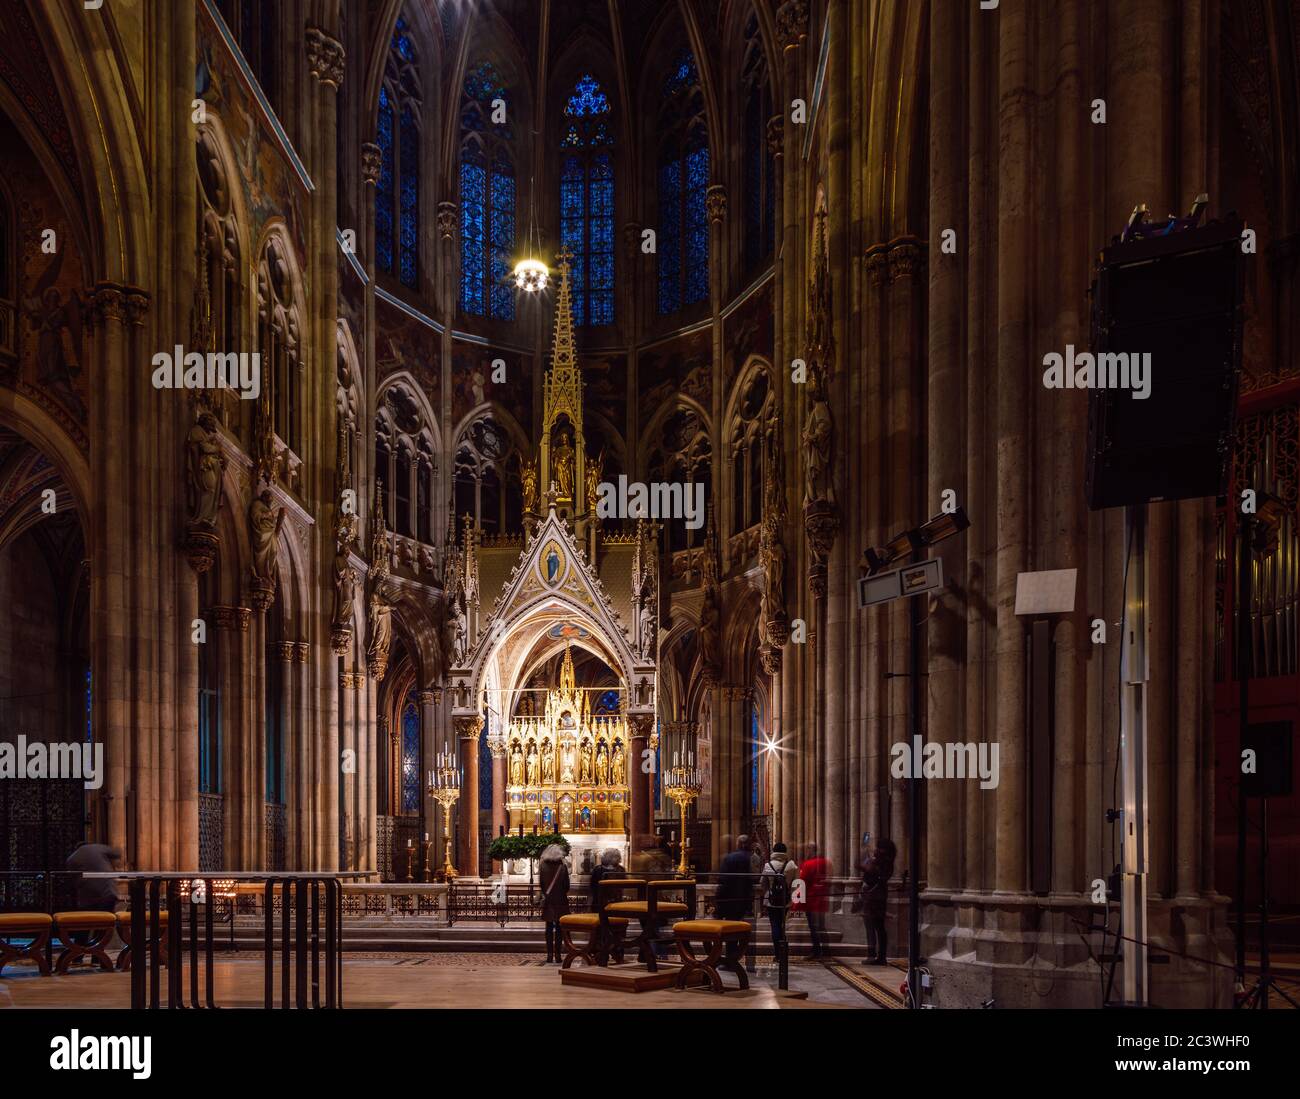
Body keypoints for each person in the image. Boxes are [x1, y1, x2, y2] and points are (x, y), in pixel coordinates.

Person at [859, 839, 896, 966]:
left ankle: (878, 955)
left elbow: (872, 873)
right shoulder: (880, 861)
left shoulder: (884, 863)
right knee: (877, 927)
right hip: (874, 896)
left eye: (879, 848)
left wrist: (868, 860)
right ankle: (878, 955)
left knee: (877, 927)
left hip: (875, 897)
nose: (877, 850)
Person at [759, 842, 798, 952]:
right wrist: (790, 894)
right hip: (785, 900)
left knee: (774, 925)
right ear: (785, 852)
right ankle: (784, 950)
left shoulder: (768, 865)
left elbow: (762, 883)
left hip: (771, 900)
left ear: (774, 851)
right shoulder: (791, 865)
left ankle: (778, 952)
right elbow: (796, 883)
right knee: (782, 924)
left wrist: (769, 892)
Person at [799, 841, 832, 958]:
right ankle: (825, 949)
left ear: (810, 850)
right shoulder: (826, 862)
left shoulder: (808, 864)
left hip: (812, 899)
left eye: (807, 849)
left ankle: (817, 950)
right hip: (823, 898)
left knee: (813, 926)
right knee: (820, 926)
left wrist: (798, 901)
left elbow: (802, 882)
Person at [538, 844, 570, 964]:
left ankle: (549, 955)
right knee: (560, 929)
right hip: (560, 900)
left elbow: (541, 884)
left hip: (548, 900)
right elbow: (567, 886)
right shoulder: (563, 867)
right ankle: (558, 955)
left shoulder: (543, 866)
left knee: (549, 928)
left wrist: (547, 894)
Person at [715, 834, 755, 921]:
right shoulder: (753, 858)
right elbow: (754, 876)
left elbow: (722, 878)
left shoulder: (729, 857)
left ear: (738, 844)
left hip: (729, 896)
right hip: (744, 896)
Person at [588, 847, 626, 912]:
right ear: (611, 857)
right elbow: (593, 886)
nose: (619, 858)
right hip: (602, 900)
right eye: (617, 856)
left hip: (609, 900)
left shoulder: (597, 869)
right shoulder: (621, 869)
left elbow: (592, 885)